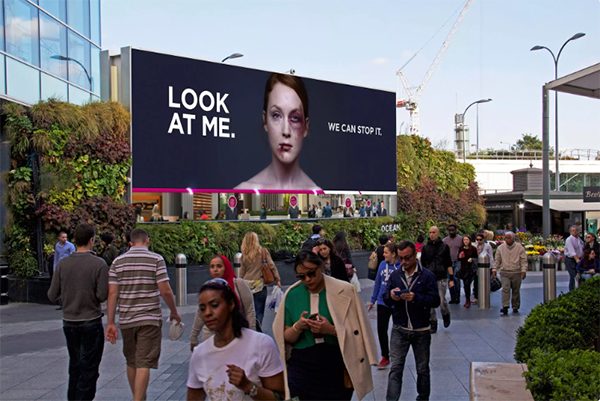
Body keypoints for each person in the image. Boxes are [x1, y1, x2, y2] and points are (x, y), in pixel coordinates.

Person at [273, 251, 378, 401]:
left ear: (320, 267)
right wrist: (299, 326)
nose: (307, 279)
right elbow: (286, 337)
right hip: (302, 365)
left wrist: (331, 330)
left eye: (311, 273)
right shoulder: (292, 294)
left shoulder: (344, 291)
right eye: (301, 276)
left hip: (335, 362)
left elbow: (359, 331)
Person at [105, 228, 181, 401]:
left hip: (127, 319)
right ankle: (138, 399)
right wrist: (174, 311)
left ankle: (139, 397)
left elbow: (112, 294)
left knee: (132, 361)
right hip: (149, 318)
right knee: (144, 361)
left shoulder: (117, 262)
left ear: (130, 243)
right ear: (148, 241)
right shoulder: (156, 259)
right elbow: (165, 290)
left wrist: (110, 322)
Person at [187, 279, 285, 400]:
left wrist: (248, 386)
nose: (207, 313)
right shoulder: (199, 354)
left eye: (214, 305)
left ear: (231, 304)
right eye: (202, 308)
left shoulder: (261, 344)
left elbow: (280, 397)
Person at [48, 223, 108, 401]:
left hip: (69, 321)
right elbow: (102, 295)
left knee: (75, 366)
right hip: (91, 320)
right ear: (91, 240)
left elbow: (52, 294)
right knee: (89, 369)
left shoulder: (63, 264)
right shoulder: (99, 264)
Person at [235, 73, 321, 191]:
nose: (286, 131)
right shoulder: (243, 190)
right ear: (265, 121)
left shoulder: (316, 192)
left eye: (295, 118)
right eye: (276, 115)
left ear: (306, 127)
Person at [383, 241, 441, 401]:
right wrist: (392, 297)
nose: (403, 262)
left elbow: (435, 300)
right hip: (399, 328)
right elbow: (386, 298)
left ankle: (423, 398)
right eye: (400, 258)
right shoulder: (396, 275)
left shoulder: (427, 276)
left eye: (407, 258)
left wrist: (416, 297)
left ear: (415, 255)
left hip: (421, 330)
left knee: (422, 369)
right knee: (395, 368)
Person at [190, 255, 256, 351]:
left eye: (219, 266)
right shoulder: (208, 288)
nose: (215, 270)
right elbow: (200, 314)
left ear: (226, 267)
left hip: (235, 333)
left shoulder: (239, 284)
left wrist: (251, 336)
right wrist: (193, 337)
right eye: (212, 267)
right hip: (210, 335)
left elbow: (249, 310)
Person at [368, 242, 401, 370]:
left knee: (398, 329)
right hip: (382, 301)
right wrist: (373, 299)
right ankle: (385, 356)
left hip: (397, 302)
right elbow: (377, 282)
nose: (384, 254)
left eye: (386, 252)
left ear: (393, 254)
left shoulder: (399, 267)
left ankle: (397, 354)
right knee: (382, 329)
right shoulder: (382, 265)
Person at [240, 232, 281, 325]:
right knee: (259, 311)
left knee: (248, 311)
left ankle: (249, 328)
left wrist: (239, 283)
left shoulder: (244, 255)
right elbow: (271, 265)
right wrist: (278, 279)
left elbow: (242, 271)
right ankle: (258, 330)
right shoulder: (263, 252)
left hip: (247, 285)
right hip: (259, 285)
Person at [420, 226, 454, 333]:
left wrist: (451, 278)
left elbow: (448, 262)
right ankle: (433, 322)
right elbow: (423, 264)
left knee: (441, 300)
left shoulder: (444, 247)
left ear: (438, 233)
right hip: (429, 277)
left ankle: (445, 313)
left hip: (441, 276)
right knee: (429, 302)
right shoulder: (425, 248)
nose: (431, 234)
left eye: (434, 232)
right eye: (430, 232)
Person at [492, 231, 527, 315]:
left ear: (513, 238)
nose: (506, 240)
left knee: (515, 290)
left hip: (516, 271)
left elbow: (523, 260)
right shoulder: (500, 248)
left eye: (508, 238)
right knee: (505, 289)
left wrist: (523, 270)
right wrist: (494, 269)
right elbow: (497, 260)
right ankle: (505, 306)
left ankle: (515, 306)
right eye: (505, 238)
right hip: (504, 272)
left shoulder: (519, 248)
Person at [443, 224, 463, 304]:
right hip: (448, 262)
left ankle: (457, 296)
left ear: (456, 230)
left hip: (458, 261)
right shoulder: (445, 241)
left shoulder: (460, 239)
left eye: (453, 230)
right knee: (450, 279)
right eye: (450, 230)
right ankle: (452, 297)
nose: (451, 232)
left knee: (456, 278)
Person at [456, 236, 478, 308]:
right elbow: (458, 258)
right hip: (463, 268)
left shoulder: (473, 249)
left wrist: (471, 259)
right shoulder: (461, 249)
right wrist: (460, 256)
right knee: (465, 284)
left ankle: (469, 299)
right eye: (464, 240)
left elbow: (477, 258)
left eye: (467, 240)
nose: (465, 241)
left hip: (471, 268)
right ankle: (467, 299)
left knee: (468, 283)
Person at [474, 233, 494, 303]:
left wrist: (492, 267)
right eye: (477, 239)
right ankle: (476, 297)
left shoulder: (487, 246)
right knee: (476, 282)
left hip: (486, 266)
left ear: (483, 239)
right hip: (477, 266)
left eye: (480, 239)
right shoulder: (475, 246)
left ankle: (485, 296)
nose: (478, 241)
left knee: (486, 282)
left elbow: (491, 256)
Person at [564, 225, 584, 291]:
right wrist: (577, 259)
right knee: (573, 275)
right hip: (571, 259)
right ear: (570, 232)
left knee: (580, 275)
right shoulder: (569, 240)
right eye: (573, 230)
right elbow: (572, 251)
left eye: (576, 230)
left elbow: (582, 249)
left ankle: (579, 288)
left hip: (579, 259)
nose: (575, 232)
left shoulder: (579, 239)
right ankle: (572, 290)